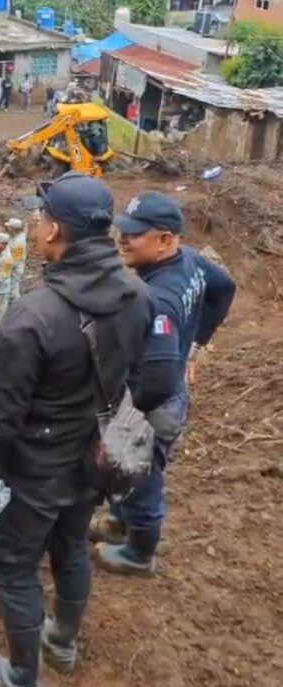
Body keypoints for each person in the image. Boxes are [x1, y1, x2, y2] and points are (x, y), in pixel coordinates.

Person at [0, 173, 153, 687]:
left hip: (33, 469)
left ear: (54, 228)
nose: (38, 224)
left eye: (41, 217)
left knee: (13, 565)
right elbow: (136, 376)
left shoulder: (32, 316)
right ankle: (62, 641)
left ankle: (22, 676)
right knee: (70, 549)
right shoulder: (136, 294)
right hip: (92, 459)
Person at [92, 192, 236, 576]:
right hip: (171, 395)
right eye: (123, 230)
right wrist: (197, 343)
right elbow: (225, 287)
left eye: (136, 234)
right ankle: (120, 523)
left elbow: (155, 375)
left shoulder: (159, 297)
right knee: (129, 467)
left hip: (155, 403)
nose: (124, 239)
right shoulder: (190, 262)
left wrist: (133, 413)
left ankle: (139, 553)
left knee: (141, 473)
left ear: (166, 239)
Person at [4, 217, 27, 302]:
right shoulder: (15, 237)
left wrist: (4, 269)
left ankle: (17, 307)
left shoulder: (18, 242)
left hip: (15, 269)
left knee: (13, 292)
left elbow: (16, 259)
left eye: (9, 227)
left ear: (13, 229)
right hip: (13, 267)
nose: (8, 228)